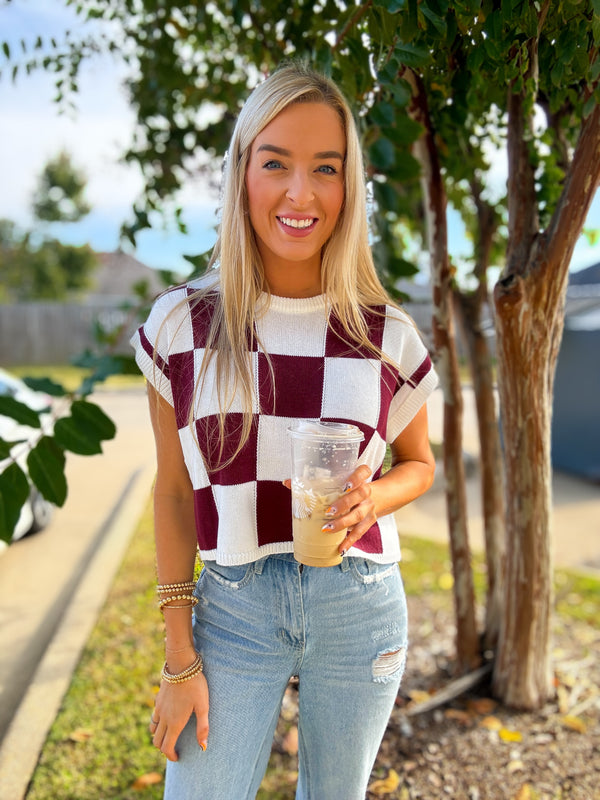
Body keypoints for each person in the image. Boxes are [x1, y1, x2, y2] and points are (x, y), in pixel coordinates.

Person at [131, 60, 438, 800]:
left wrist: (374, 499)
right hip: (232, 606)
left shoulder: (385, 333)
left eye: (325, 169)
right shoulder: (182, 324)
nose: (301, 193)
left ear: (347, 186)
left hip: (358, 600)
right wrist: (180, 660)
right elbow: (174, 495)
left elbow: (420, 464)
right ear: (243, 173)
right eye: (276, 163)